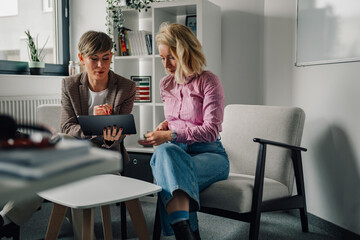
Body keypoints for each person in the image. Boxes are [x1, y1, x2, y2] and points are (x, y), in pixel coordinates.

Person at [60, 30, 149, 240]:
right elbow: (66, 127)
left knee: (64, 176)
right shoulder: (69, 85)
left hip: (109, 155)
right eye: (94, 59)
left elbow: (121, 131)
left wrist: (109, 137)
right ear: (81, 58)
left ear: (111, 57)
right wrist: (95, 126)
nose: (100, 65)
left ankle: (80, 230)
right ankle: (84, 233)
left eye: (106, 58)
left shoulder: (126, 87)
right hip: (78, 153)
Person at [144, 23, 230, 240]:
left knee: (169, 171)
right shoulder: (166, 84)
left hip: (209, 155)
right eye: (162, 58)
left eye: (171, 57)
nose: (166, 65)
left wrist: (172, 135)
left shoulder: (208, 81)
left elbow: (210, 130)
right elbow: (178, 119)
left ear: (185, 52)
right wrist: (166, 125)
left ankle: (185, 233)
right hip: (177, 153)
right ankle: (186, 232)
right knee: (164, 153)